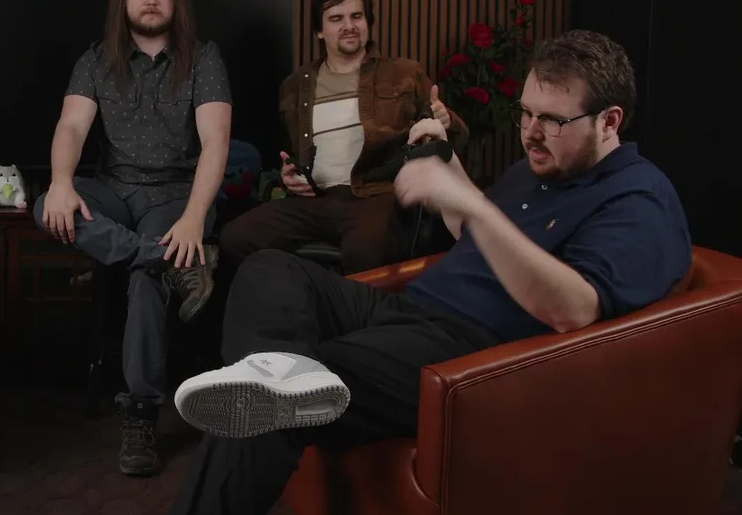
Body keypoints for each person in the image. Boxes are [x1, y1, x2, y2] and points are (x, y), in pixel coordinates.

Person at [167, 30, 691, 514]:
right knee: (271, 270)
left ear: (609, 121)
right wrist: (447, 169)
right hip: (410, 307)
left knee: (284, 385)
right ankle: (275, 381)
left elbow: (573, 309)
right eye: (525, 113)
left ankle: (275, 391)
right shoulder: (543, 165)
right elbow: (477, 235)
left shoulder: (638, 200)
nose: (531, 133)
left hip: (470, 351)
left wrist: (472, 204)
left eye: (552, 120)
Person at [34, 0, 233, 476]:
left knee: (145, 283)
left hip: (175, 197)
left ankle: (141, 415)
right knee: (47, 204)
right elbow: (71, 126)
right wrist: (61, 182)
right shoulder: (96, 60)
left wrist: (194, 219)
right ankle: (169, 261)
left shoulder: (204, 59)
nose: (151, 0)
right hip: (114, 191)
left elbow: (216, 143)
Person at [218, 0, 468, 275]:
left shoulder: (404, 73)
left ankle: (351, 305)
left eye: (356, 16)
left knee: (365, 252)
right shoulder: (294, 87)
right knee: (234, 238)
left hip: (377, 195)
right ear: (319, 31)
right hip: (315, 200)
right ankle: (296, 297)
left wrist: (447, 121)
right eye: (336, 18)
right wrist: (288, 176)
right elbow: (291, 155)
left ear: (368, 23)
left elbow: (456, 141)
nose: (349, 26)